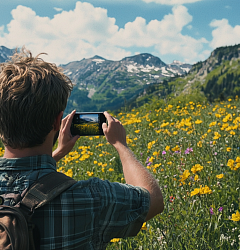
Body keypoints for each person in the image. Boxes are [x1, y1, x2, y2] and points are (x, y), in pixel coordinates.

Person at [0, 49, 164, 249]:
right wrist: (121, 145)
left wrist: (57, 154)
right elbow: (153, 200)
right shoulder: (91, 198)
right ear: (57, 122)